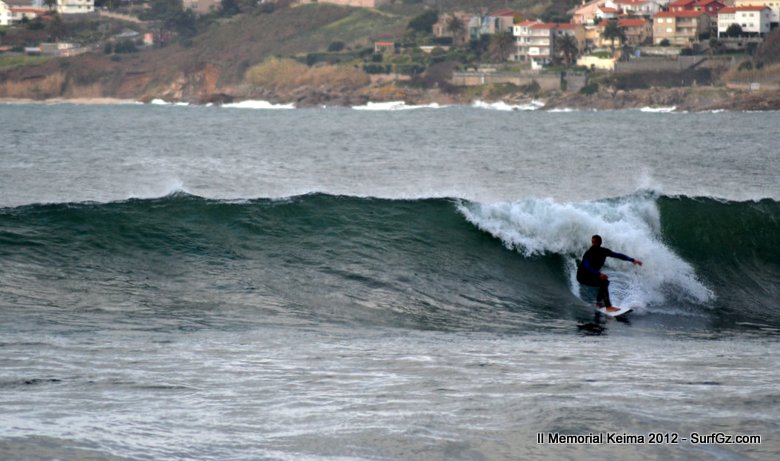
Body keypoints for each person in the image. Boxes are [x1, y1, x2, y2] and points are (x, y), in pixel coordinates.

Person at [577, 235, 642, 311]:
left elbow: (617, 255)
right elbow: (587, 266)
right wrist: (599, 274)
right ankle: (608, 307)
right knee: (604, 282)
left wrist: (632, 260)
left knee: (604, 282)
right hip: (582, 276)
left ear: (599, 243)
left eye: (595, 242)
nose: (593, 244)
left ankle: (598, 303)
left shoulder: (604, 251)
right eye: (592, 242)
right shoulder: (589, 253)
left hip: (591, 274)